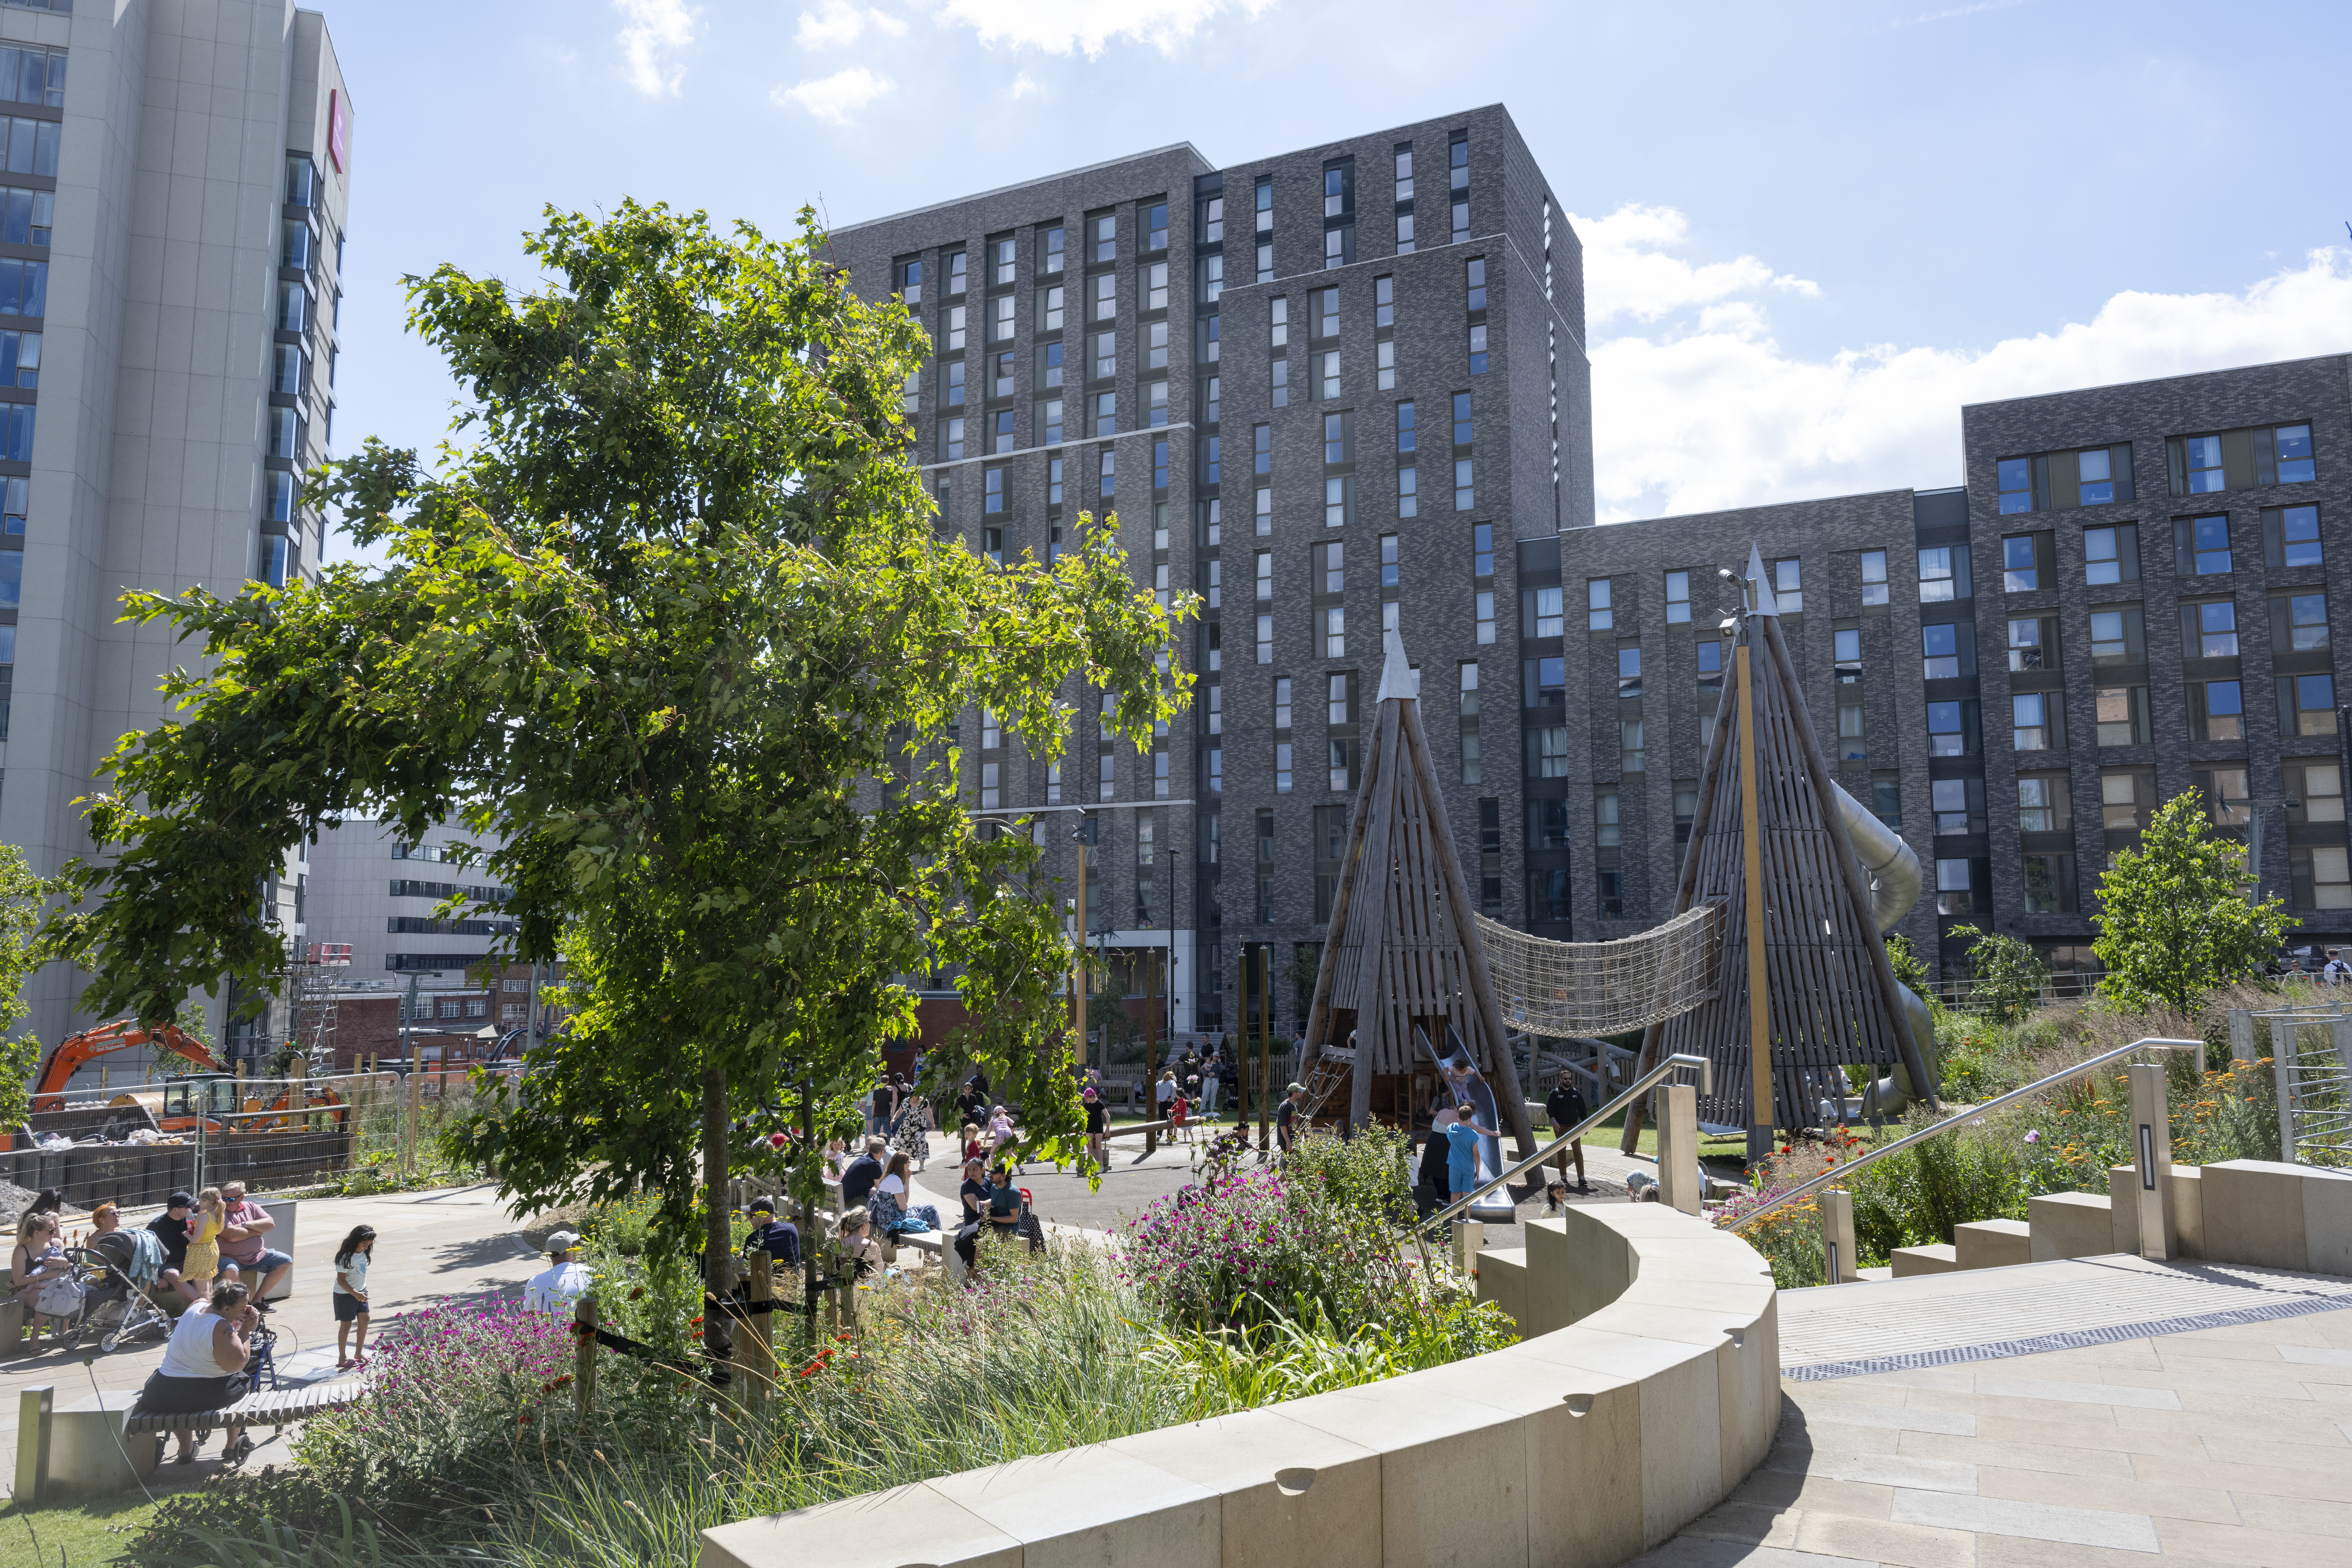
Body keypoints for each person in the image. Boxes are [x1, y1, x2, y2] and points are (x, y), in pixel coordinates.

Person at [132, 1279, 260, 1465]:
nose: (245, 1311)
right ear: (226, 1308)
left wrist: (238, 1318)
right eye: (241, 1308)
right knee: (241, 1380)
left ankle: (186, 1450)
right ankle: (232, 1446)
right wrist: (245, 1331)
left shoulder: (197, 1305)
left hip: (161, 1392)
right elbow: (236, 1364)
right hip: (197, 1394)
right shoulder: (222, 1327)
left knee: (177, 1393)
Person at [215, 1181, 291, 1310]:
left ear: (242, 1197)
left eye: (232, 1199)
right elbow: (232, 1236)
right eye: (224, 1198)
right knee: (231, 1271)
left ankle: (258, 1300)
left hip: (257, 1255)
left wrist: (245, 1225)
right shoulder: (219, 1211)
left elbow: (270, 1224)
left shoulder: (251, 1206)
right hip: (227, 1257)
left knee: (285, 1261)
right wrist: (257, 1231)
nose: (227, 1202)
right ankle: (242, 1307)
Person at [9, 1213, 69, 1345]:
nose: (54, 1233)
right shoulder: (22, 1251)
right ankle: (34, 1339)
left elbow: (71, 1269)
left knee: (68, 1292)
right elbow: (18, 1281)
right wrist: (45, 1276)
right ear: (37, 1233)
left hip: (52, 1285)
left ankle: (64, 1333)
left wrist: (65, 1262)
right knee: (46, 1297)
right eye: (51, 1230)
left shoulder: (57, 1244)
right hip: (23, 1290)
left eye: (55, 1229)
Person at [147, 1191, 203, 1305]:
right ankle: (202, 1305)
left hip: (185, 1261)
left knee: (199, 1269)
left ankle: (199, 1308)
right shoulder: (156, 1226)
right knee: (174, 1276)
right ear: (175, 1209)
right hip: (165, 1264)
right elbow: (146, 1253)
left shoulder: (191, 1220)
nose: (192, 1208)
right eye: (188, 1206)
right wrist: (155, 1277)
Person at [332, 1225, 375, 1371]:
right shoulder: (346, 1258)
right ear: (356, 1241)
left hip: (361, 1291)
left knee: (365, 1319)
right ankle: (342, 1357)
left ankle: (358, 1353)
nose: (366, 1247)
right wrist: (355, 1293)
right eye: (364, 1244)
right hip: (345, 1294)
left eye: (369, 1245)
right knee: (346, 1325)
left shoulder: (363, 1253)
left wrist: (359, 1292)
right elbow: (341, 1281)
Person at [868, 1151, 942, 1234]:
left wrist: (907, 1180)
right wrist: (906, 1182)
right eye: (908, 1162)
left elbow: (903, 1205)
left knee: (926, 1209)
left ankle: (932, 1242)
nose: (910, 1164)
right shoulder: (895, 1180)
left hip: (884, 1219)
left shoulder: (888, 1177)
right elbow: (904, 1207)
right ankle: (940, 1239)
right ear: (902, 1164)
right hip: (892, 1220)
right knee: (931, 1210)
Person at [523, 1229, 592, 1316]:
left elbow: (528, 1317)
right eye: (575, 1246)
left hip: (551, 1329)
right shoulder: (591, 1273)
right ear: (570, 1250)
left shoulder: (534, 1282)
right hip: (587, 1329)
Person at [1546, 1068, 1591, 1193]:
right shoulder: (1555, 1093)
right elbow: (1550, 1109)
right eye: (1565, 1079)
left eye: (1570, 1079)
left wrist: (1586, 1125)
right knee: (1562, 1152)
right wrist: (1554, 1121)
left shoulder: (1576, 1093)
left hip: (1574, 1126)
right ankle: (1563, 1177)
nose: (1568, 1081)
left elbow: (1582, 1110)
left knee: (1578, 1151)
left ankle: (1581, 1177)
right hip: (1560, 1126)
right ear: (1561, 1080)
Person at [1445, 1101, 1498, 1206]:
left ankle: (1454, 1219)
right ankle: (1467, 1219)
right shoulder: (1472, 1134)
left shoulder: (1450, 1128)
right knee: (1467, 1195)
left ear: (1458, 1116)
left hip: (1454, 1165)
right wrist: (1478, 1171)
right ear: (1470, 1118)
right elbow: (1476, 1155)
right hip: (1468, 1167)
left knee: (1455, 1193)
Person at [182, 1188, 225, 1300]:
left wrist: (187, 1234)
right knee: (209, 1286)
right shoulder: (216, 1214)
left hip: (200, 1251)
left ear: (207, 1202)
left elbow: (196, 1239)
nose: (198, 1203)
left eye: (200, 1201)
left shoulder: (203, 1216)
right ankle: (212, 1310)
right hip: (212, 1249)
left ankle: (207, 1313)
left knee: (203, 1291)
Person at [743, 1198, 801, 1267]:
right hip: (793, 1277)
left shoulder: (754, 1238)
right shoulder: (791, 1230)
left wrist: (741, 1259)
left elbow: (747, 1268)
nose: (748, 1219)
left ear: (762, 1216)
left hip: (767, 1277)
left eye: (751, 1215)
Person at [836, 1207, 885, 1284]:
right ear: (863, 1226)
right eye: (870, 1222)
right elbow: (879, 1276)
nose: (870, 1225)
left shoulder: (836, 1244)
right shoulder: (872, 1246)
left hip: (839, 1291)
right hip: (863, 1292)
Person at [839, 1137, 886, 1208]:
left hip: (844, 1198)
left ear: (870, 1148)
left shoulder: (864, 1158)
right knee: (883, 1204)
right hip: (852, 1202)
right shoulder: (875, 1165)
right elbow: (880, 1190)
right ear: (882, 1152)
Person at [1275, 1082, 1305, 1155]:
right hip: (1287, 1142)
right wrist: (1288, 1142)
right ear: (1294, 1093)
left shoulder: (1294, 1105)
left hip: (1293, 1140)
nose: (1302, 1094)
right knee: (1292, 1165)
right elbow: (1282, 1126)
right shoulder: (1285, 1106)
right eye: (1300, 1092)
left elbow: (1294, 1123)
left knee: (1296, 1164)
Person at [1082, 1086, 1108, 1168]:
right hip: (1089, 1126)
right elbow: (1083, 1117)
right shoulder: (1086, 1105)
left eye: (1087, 1098)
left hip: (1098, 1126)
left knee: (1098, 1145)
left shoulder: (1099, 1104)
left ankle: (1101, 1165)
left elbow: (1108, 1116)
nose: (1085, 1099)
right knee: (1089, 1146)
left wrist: (1108, 1129)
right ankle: (1091, 1164)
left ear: (1091, 1097)